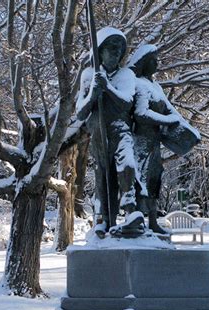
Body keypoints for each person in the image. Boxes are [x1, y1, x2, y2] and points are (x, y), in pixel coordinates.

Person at [76, 27, 145, 238]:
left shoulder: (126, 75)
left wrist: (107, 88)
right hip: (98, 135)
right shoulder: (89, 75)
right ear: (100, 51)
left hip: (120, 131)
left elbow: (126, 104)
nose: (115, 53)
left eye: (119, 49)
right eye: (111, 48)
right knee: (103, 178)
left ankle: (130, 211)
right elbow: (80, 112)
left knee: (126, 166)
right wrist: (93, 94)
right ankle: (105, 219)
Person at [130, 45, 197, 235]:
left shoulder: (156, 87)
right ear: (145, 63)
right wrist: (167, 120)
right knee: (140, 182)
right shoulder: (140, 85)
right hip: (142, 143)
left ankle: (152, 221)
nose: (157, 64)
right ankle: (136, 221)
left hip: (155, 144)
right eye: (153, 61)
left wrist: (187, 130)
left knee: (154, 181)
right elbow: (141, 113)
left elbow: (170, 111)